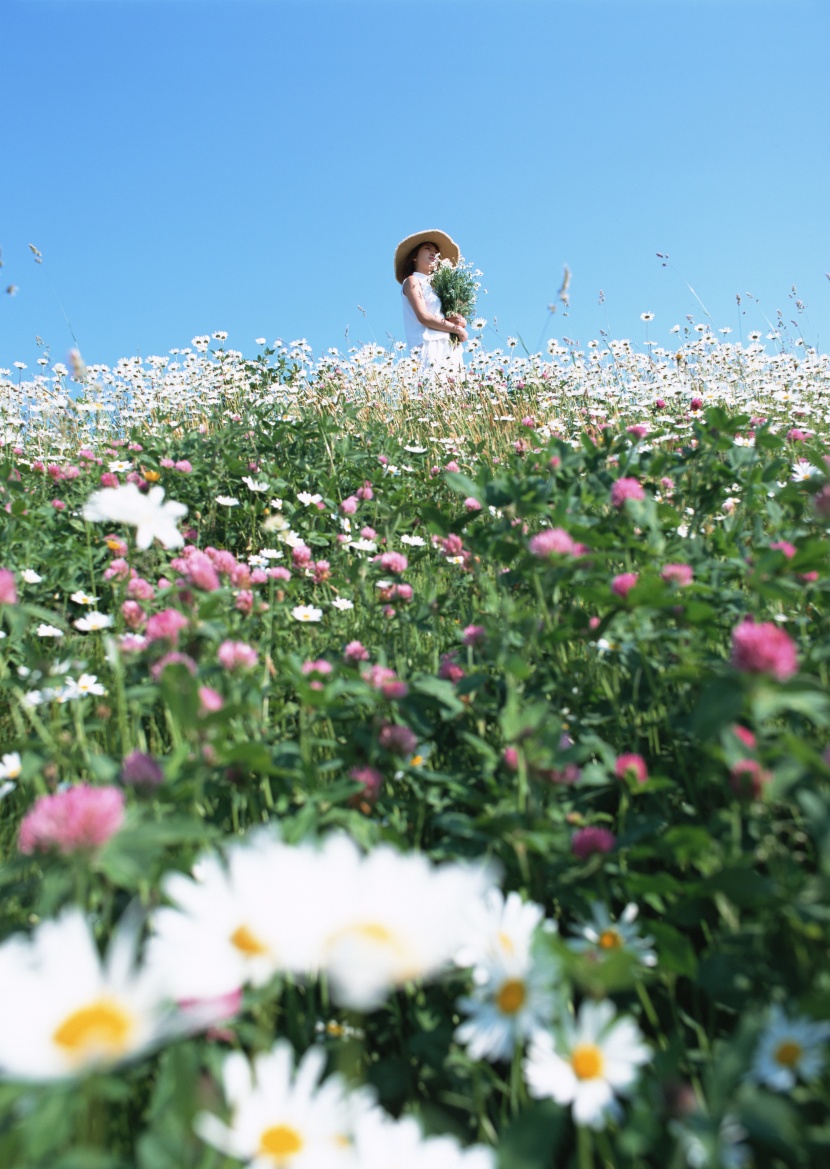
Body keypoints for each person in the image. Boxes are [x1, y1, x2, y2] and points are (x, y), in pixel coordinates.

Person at [394, 229, 468, 372]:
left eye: (436, 251)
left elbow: (450, 316)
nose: (433, 253)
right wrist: (456, 329)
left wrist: (460, 321)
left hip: (449, 345)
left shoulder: (440, 289)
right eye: (428, 249)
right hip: (428, 345)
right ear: (414, 257)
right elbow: (424, 316)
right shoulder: (412, 281)